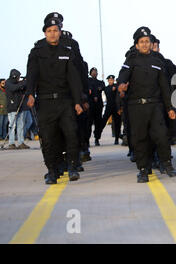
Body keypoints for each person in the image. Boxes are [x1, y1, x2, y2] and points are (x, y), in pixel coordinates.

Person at [26, 17, 84, 184]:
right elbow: (32, 75)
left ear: (60, 32)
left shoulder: (67, 52)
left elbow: (74, 79)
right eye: (49, 31)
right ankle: (52, 171)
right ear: (45, 33)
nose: (52, 34)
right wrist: (30, 93)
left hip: (65, 101)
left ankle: (72, 167)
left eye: (55, 31)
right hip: (45, 102)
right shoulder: (37, 52)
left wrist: (78, 101)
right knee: (49, 139)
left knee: (71, 134)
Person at [117, 26, 176, 183]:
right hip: (136, 106)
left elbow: (164, 86)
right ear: (136, 45)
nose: (145, 44)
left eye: (147, 41)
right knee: (140, 138)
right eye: (141, 42)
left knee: (162, 136)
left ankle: (167, 164)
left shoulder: (158, 61)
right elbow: (122, 76)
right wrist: (121, 85)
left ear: (151, 44)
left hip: (155, 105)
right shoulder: (131, 60)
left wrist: (169, 107)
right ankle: (143, 169)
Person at [5, 69, 28, 149]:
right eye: (18, 77)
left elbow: (23, 90)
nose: (19, 78)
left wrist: (26, 83)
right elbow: (14, 88)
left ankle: (21, 142)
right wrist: (24, 82)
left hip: (19, 107)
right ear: (14, 76)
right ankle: (11, 143)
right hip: (12, 108)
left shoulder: (18, 83)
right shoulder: (8, 83)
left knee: (20, 125)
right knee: (12, 125)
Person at [99, 75, 121, 145]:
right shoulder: (106, 88)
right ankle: (97, 136)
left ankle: (117, 138)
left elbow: (119, 86)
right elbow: (101, 88)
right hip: (108, 107)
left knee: (117, 123)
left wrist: (116, 87)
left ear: (114, 80)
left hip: (116, 107)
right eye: (109, 80)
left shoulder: (116, 86)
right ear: (108, 81)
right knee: (103, 121)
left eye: (112, 80)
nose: (111, 81)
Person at [88, 68, 105, 146]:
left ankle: (97, 138)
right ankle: (86, 140)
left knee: (98, 123)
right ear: (90, 73)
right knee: (88, 123)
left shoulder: (100, 82)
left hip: (98, 105)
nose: (94, 73)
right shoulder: (87, 81)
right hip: (90, 105)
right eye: (93, 72)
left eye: (96, 72)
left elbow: (102, 87)